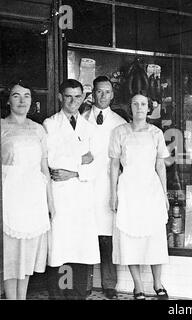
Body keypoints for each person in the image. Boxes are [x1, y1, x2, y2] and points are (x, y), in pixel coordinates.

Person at [109, 94, 170, 300]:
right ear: (130, 108)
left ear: (149, 108)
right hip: (128, 190)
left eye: (143, 104)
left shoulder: (156, 133)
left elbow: (160, 165)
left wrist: (164, 194)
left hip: (151, 190)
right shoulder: (119, 132)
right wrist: (113, 194)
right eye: (135, 104)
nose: (139, 108)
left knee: (154, 237)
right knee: (129, 238)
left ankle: (157, 283)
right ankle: (138, 286)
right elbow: (114, 165)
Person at [43, 79, 100, 300]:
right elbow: (53, 159)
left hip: (82, 195)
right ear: (60, 97)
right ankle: (58, 296)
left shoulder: (89, 127)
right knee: (60, 248)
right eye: (68, 96)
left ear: (83, 98)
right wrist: (81, 159)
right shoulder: (50, 124)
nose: (73, 101)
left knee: (80, 249)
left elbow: (96, 165)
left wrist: (75, 172)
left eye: (78, 97)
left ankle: (77, 296)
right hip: (61, 195)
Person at [1, 81, 54, 300]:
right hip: (10, 196)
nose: (22, 101)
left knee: (28, 252)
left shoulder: (38, 129)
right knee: (11, 253)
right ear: (8, 100)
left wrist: (50, 201)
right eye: (16, 96)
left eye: (26, 96)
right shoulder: (1, 126)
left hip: (33, 198)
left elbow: (44, 167)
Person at [82, 76, 126, 299]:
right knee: (87, 234)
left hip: (109, 185)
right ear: (93, 94)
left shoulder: (120, 123)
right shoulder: (81, 119)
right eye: (99, 92)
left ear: (112, 94)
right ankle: (85, 283)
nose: (103, 96)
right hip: (87, 183)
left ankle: (109, 284)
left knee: (107, 237)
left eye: (107, 92)